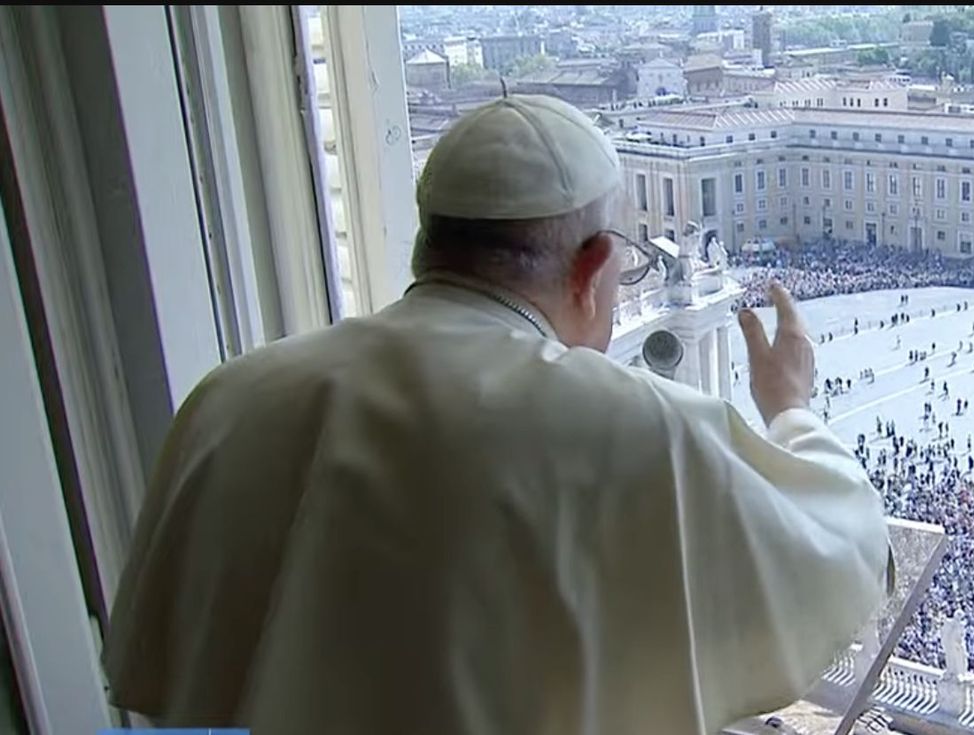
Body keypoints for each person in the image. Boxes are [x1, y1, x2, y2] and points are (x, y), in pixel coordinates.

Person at [102, 96, 892, 734]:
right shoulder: (636, 428)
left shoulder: (229, 399)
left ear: (428, 248)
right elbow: (841, 555)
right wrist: (791, 408)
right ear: (592, 268)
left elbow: (162, 684)